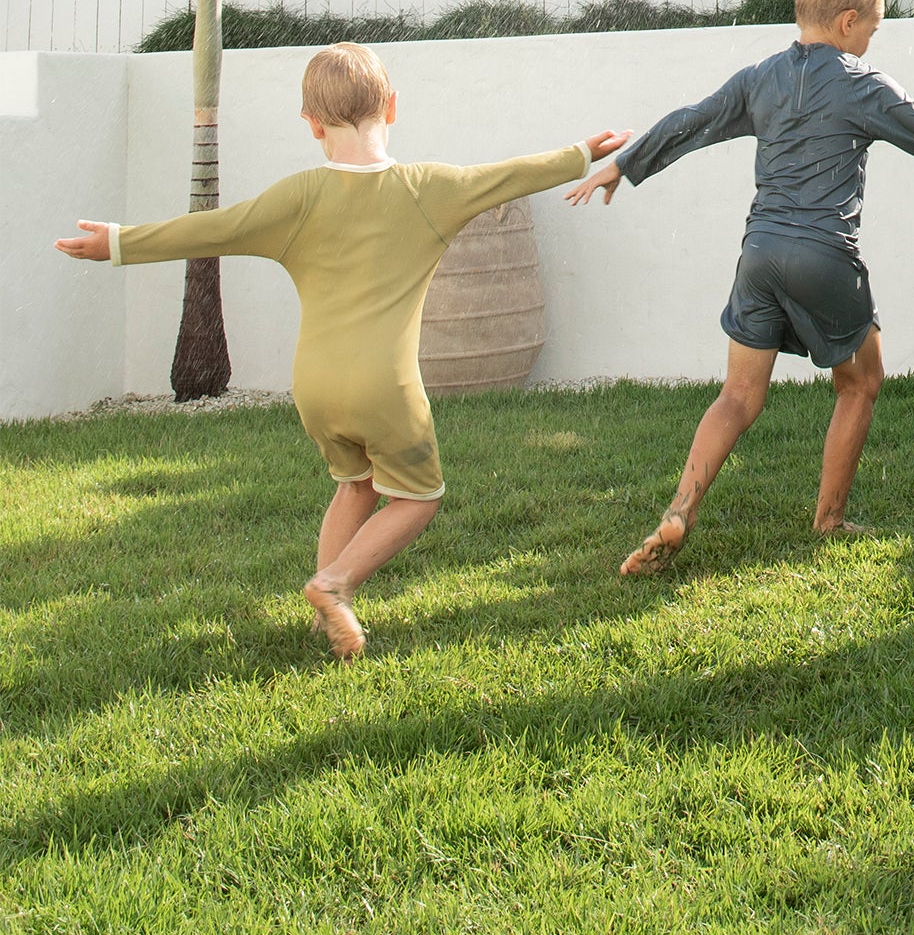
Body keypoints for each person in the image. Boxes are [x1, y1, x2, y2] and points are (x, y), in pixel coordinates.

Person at [56, 42, 627, 661]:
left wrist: (118, 242)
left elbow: (212, 228)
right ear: (392, 106)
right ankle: (336, 584)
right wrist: (579, 155)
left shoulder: (295, 198)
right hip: (386, 389)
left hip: (315, 388)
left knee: (354, 486)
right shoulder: (428, 188)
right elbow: (505, 176)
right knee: (417, 497)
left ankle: (324, 618)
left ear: (312, 125)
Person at [569, 0, 914, 574]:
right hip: (824, 255)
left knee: (739, 395)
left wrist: (625, 163)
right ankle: (829, 519)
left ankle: (680, 509)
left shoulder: (760, 78)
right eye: (871, 31)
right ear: (847, 22)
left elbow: (691, 121)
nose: (869, 42)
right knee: (860, 382)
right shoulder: (860, 83)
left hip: (759, 256)